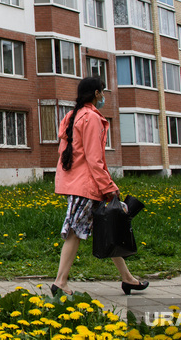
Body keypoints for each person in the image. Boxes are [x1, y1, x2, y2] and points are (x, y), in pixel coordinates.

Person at [51, 76, 149, 297]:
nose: (104, 95)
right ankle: (59, 282)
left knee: (108, 228)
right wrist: (109, 187)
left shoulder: (71, 116)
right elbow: (94, 159)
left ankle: (127, 278)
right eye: (102, 91)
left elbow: (65, 154)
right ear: (96, 93)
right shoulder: (92, 118)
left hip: (79, 184)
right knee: (75, 232)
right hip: (87, 186)